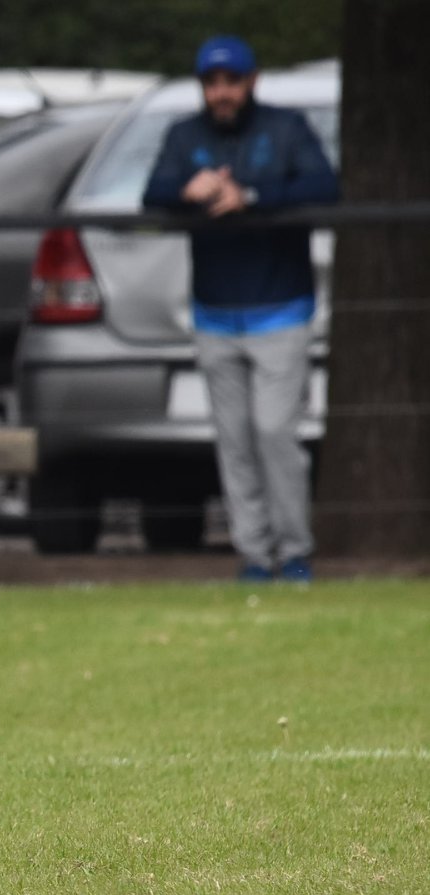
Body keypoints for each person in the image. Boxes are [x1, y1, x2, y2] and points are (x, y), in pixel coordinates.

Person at [143, 35, 339, 583]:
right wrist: (190, 189)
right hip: (215, 313)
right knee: (235, 442)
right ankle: (255, 555)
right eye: (212, 83)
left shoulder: (286, 129)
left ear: (252, 81)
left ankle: (295, 550)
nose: (222, 92)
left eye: (231, 81)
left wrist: (251, 197)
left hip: (281, 308)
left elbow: (324, 185)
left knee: (275, 432)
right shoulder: (185, 137)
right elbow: (150, 193)